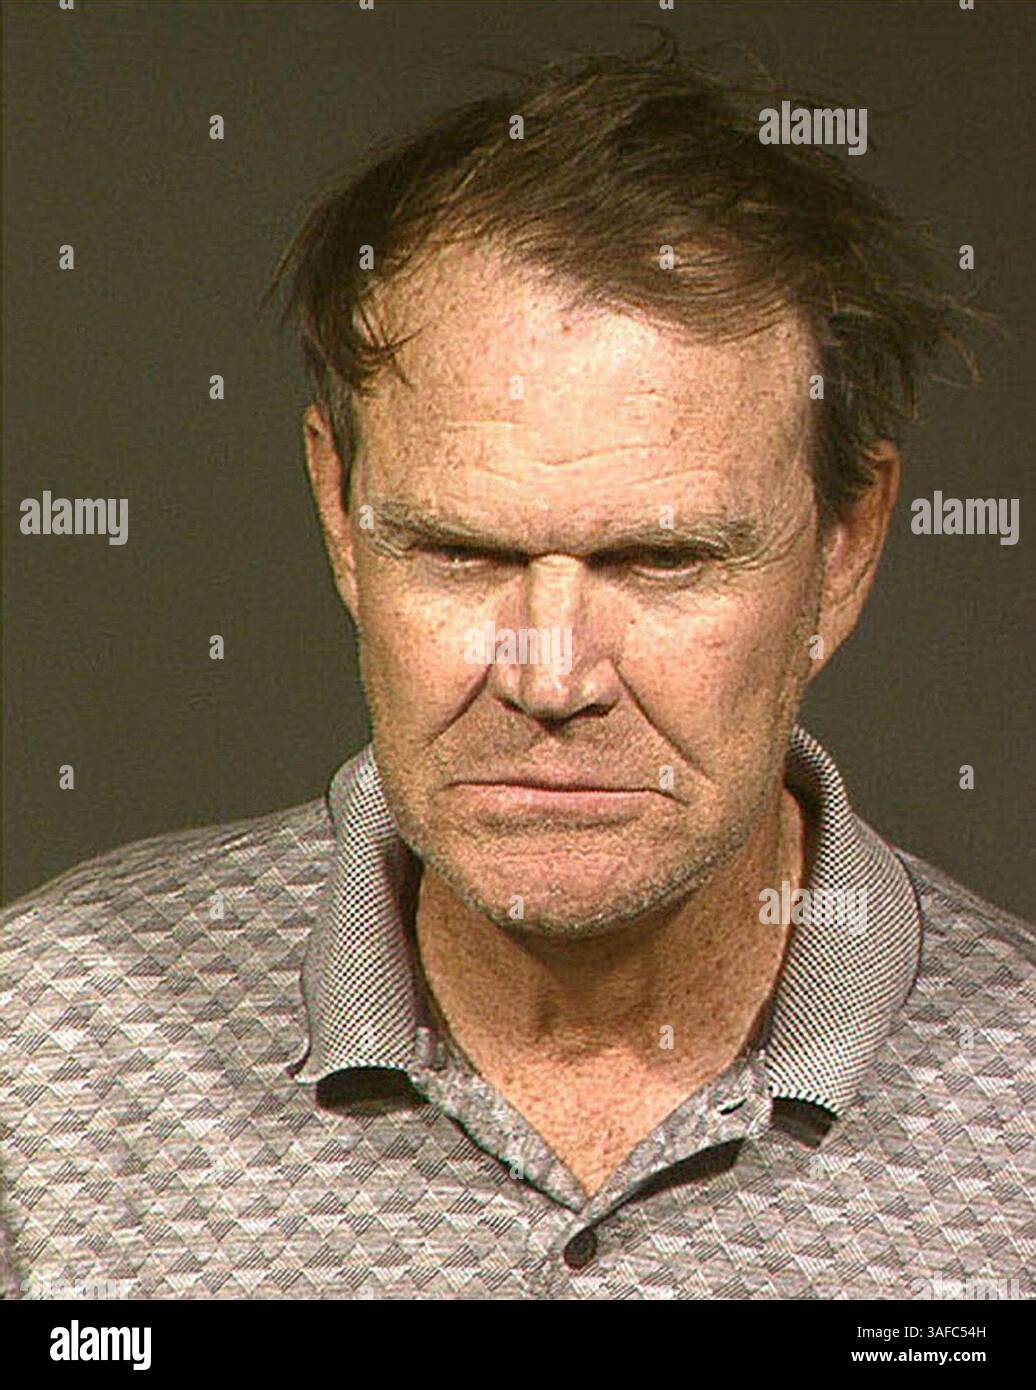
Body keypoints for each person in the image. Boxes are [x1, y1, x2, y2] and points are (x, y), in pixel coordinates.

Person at [2, 40, 1031, 1301]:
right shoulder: (43, 1052)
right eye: (460, 552)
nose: (550, 682)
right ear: (339, 513)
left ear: (845, 545)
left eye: (660, 559)